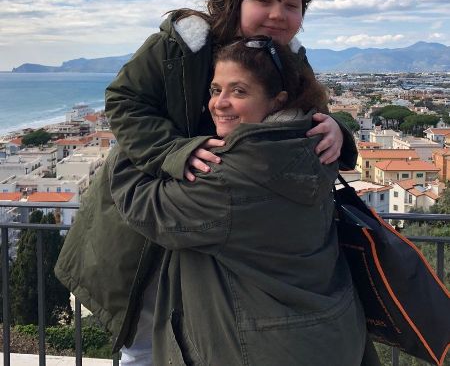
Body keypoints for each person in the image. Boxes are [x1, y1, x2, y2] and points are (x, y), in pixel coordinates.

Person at [55, 0, 359, 363]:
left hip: (226, 239)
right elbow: (123, 101)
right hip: (151, 229)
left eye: (291, 5)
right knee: (146, 343)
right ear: (236, 0)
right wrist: (175, 151)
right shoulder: (180, 47)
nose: (277, 14)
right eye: (263, 0)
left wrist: (336, 127)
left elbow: (308, 107)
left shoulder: (289, 61)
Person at [108, 38, 369, 365]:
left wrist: (132, 140)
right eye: (215, 90)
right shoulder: (313, 144)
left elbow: (144, 204)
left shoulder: (234, 179)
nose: (220, 103)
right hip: (332, 331)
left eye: (239, 91)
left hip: (269, 348)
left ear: (277, 101)